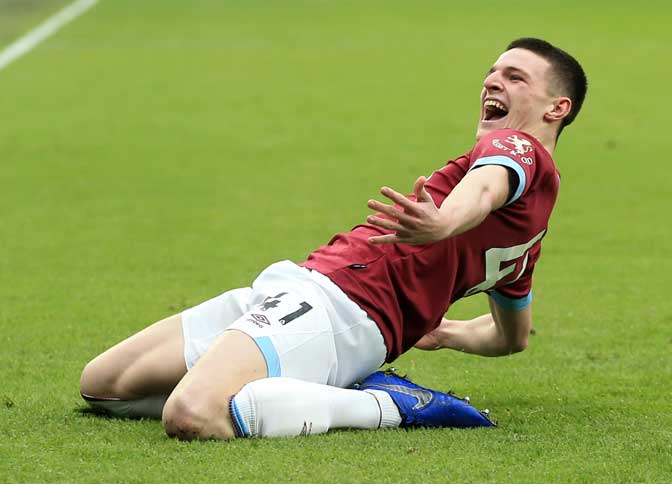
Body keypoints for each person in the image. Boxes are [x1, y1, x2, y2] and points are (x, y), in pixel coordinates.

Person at [79, 37, 587, 440]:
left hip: (340, 313)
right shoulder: (525, 240)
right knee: (104, 388)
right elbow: (510, 338)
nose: (492, 82)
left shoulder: (516, 147)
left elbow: (482, 189)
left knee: (192, 415)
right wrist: (442, 330)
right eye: (491, 73)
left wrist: (442, 222)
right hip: (304, 287)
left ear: (555, 108)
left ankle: (387, 405)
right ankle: (315, 381)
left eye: (514, 77)